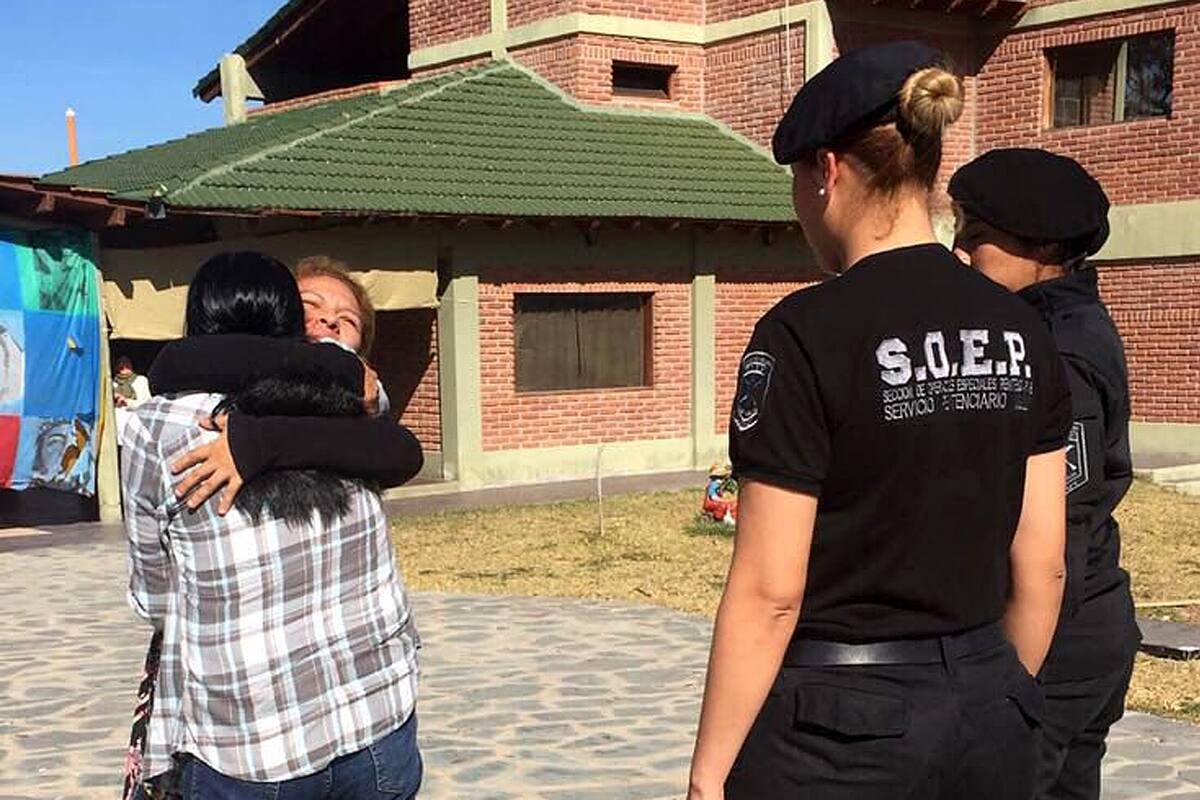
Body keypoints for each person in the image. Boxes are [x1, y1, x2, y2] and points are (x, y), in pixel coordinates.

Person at [687, 41, 1075, 800]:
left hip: (839, 738)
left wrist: (708, 778)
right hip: (987, 710)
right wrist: (1001, 695)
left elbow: (771, 590)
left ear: (827, 172)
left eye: (797, 183)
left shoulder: (803, 333)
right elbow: (1043, 562)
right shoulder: (1022, 330)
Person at [121, 251, 423, 799]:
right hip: (373, 719)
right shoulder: (352, 403)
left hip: (261, 743)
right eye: (310, 307)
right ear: (279, 319)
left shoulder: (161, 426)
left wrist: (260, 441)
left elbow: (156, 598)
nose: (330, 325)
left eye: (347, 320)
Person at [949, 148, 1142, 800]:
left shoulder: (1057, 352)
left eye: (977, 237)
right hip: (1078, 632)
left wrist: (1012, 685)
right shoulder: (1043, 325)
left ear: (1044, 246)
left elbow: (1057, 537)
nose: (959, 251)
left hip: (1057, 642)